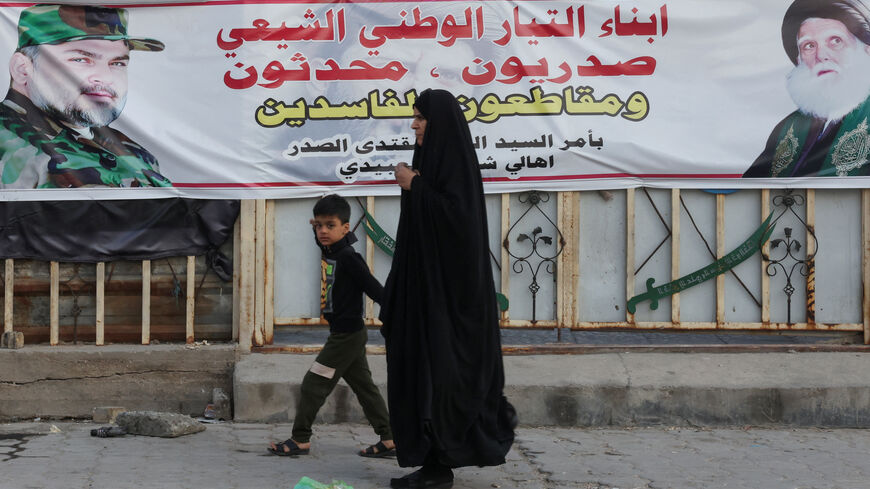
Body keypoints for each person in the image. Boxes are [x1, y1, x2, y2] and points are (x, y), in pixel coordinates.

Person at [380, 89, 516, 489]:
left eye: (421, 118)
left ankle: (440, 466)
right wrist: (416, 185)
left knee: (443, 376)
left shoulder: (455, 168)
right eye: (415, 117)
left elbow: (459, 224)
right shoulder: (429, 164)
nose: (414, 125)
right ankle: (431, 462)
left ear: (439, 124)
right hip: (425, 295)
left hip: (452, 303)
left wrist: (416, 187)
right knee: (421, 374)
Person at [268, 194, 395, 458]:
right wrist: (315, 227)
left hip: (346, 337)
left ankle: (300, 439)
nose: (323, 231)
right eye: (318, 226)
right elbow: (322, 239)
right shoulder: (333, 250)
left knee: (313, 384)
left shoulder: (349, 257)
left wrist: (396, 315)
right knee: (364, 388)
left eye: (330, 225)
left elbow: (375, 289)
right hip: (346, 334)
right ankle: (390, 438)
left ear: (346, 228)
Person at [0, 4, 171, 188]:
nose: (106, 78)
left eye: (117, 63)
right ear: (22, 69)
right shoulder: (13, 148)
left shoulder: (134, 154)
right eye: (81, 59)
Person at [744, 0, 870, 177]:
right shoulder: (788, 127)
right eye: (809, 46)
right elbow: (751, 186)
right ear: (799, 60)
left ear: (866, 50)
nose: (821, 55)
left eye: (835, 41)